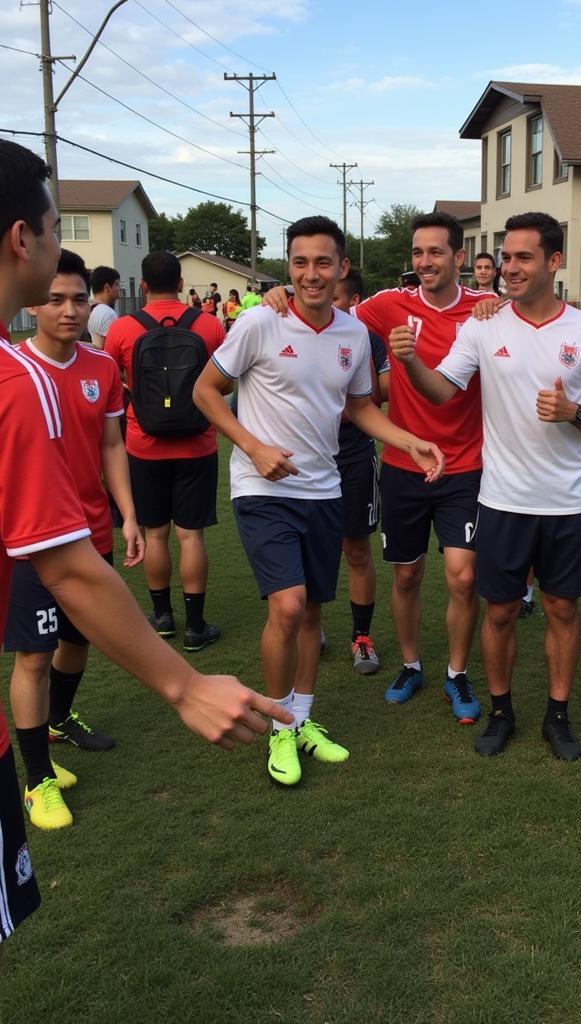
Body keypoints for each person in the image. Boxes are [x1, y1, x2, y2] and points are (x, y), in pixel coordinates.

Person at [0, 134, 290, 1024]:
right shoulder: (0, 379)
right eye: (53, 227)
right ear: (24, 238)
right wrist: (184, 685)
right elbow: (67, 568)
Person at [194, 215, 444, 787]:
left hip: (324, 490)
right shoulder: (259, 321)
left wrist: (410, 439)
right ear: (289, 266)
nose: (311, 274)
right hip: (264, 489)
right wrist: (253, 447)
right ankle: (279, 727)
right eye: (300, 262)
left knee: (309, 612)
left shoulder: (355, 335)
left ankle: (303, 720)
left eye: (322, 263)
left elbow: (359, 407)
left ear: (342, 269)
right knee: (286, 606)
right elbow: (205, 390)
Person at [391, 212, 581, 761]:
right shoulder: (482, 324)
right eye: (506, 257)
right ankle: (501, 713)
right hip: (500, 500)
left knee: (563, 611)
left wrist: (574, 412)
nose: (510, 268)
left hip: (568, 503)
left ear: (554, 261)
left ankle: (557, 717)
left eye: (523, 257)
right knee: (498, 612)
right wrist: (410, 361)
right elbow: (443, 391)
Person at [264, 212, 492, 727]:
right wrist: (281, 292)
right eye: (417, 253)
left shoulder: (485, 309)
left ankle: (456, 673)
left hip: (466, 465)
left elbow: (536, 314)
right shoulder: (388, 306)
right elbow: (325, 304)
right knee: (407, 574)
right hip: (401, 464)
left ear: (459, 257)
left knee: (463, 576)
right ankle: (411, 666)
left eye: (436, 252)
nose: (425, 262)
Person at [3, 249, 142, 829]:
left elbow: (112, 446)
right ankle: (37, 780)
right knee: (34, 654)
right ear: (33, 300)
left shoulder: (102, 368)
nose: (68, 310)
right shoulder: (8, 367)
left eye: (78, 299)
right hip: (31, 540)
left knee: (78, 639)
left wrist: (128, 514)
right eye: (55, 299)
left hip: (90, 531)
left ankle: (59, 720)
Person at [105, 253, 226, 651]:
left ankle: (163, 618)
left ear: (141, 285)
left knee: (154, 534)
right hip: (197, 443)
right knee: (190, 536)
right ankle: (196, 625)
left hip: (144, 445)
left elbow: (113, 382)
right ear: (180, 282)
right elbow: (224, 383)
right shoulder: (208, 325)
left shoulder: (122, 328)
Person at [331, 267, 391, 675]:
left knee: (356, 548)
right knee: (305, 547)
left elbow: (376, 396)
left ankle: (361, 637)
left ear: (352, 302)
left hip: (352, 453)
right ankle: (305, 622)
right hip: (302, 458)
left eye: (335, 297)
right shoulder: (286, 329)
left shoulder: (365, 338)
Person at [87, 264, 120, 350]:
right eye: (117, 284)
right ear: (107, 287)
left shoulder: (90, 309)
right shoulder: (107, 313)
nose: (119, 288)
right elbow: (110, 348)